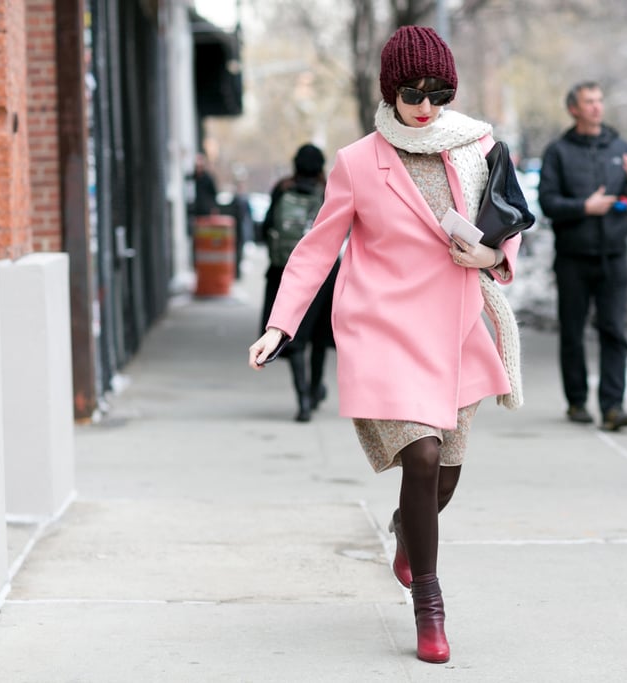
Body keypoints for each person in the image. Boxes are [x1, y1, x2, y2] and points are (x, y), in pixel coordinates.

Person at [248, 26, 521, 665]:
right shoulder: (357, 162)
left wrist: (492, 254)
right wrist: (280, 324)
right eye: (412, 92)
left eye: (439, 92)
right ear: (388, 90)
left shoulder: (473, 145)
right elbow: (316, 248)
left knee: (443, 478)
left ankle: (406, 533)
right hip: (382, 332)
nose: (425, 106)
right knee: (421, 458)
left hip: (454, 329)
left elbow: (505, 221)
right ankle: (430, 604)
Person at [538, 81, 627, 431]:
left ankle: (613, 407)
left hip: (613, 255)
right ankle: (576, 402)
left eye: (600, 101)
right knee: (572, 331)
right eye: (589, 102)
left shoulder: (620, 147)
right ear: (574, 108)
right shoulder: (558, 152)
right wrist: (584, 207)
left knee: (613, 330)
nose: (597, 107)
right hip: (573, 257)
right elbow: (547, 203)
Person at [259, 143, 336, 422]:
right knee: (317, 338)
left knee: (293, 337)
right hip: (324, 274)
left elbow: (266, 227)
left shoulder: (282, 188)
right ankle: (315, 391)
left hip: (283, 271)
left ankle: (302, 399)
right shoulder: (328, 190)